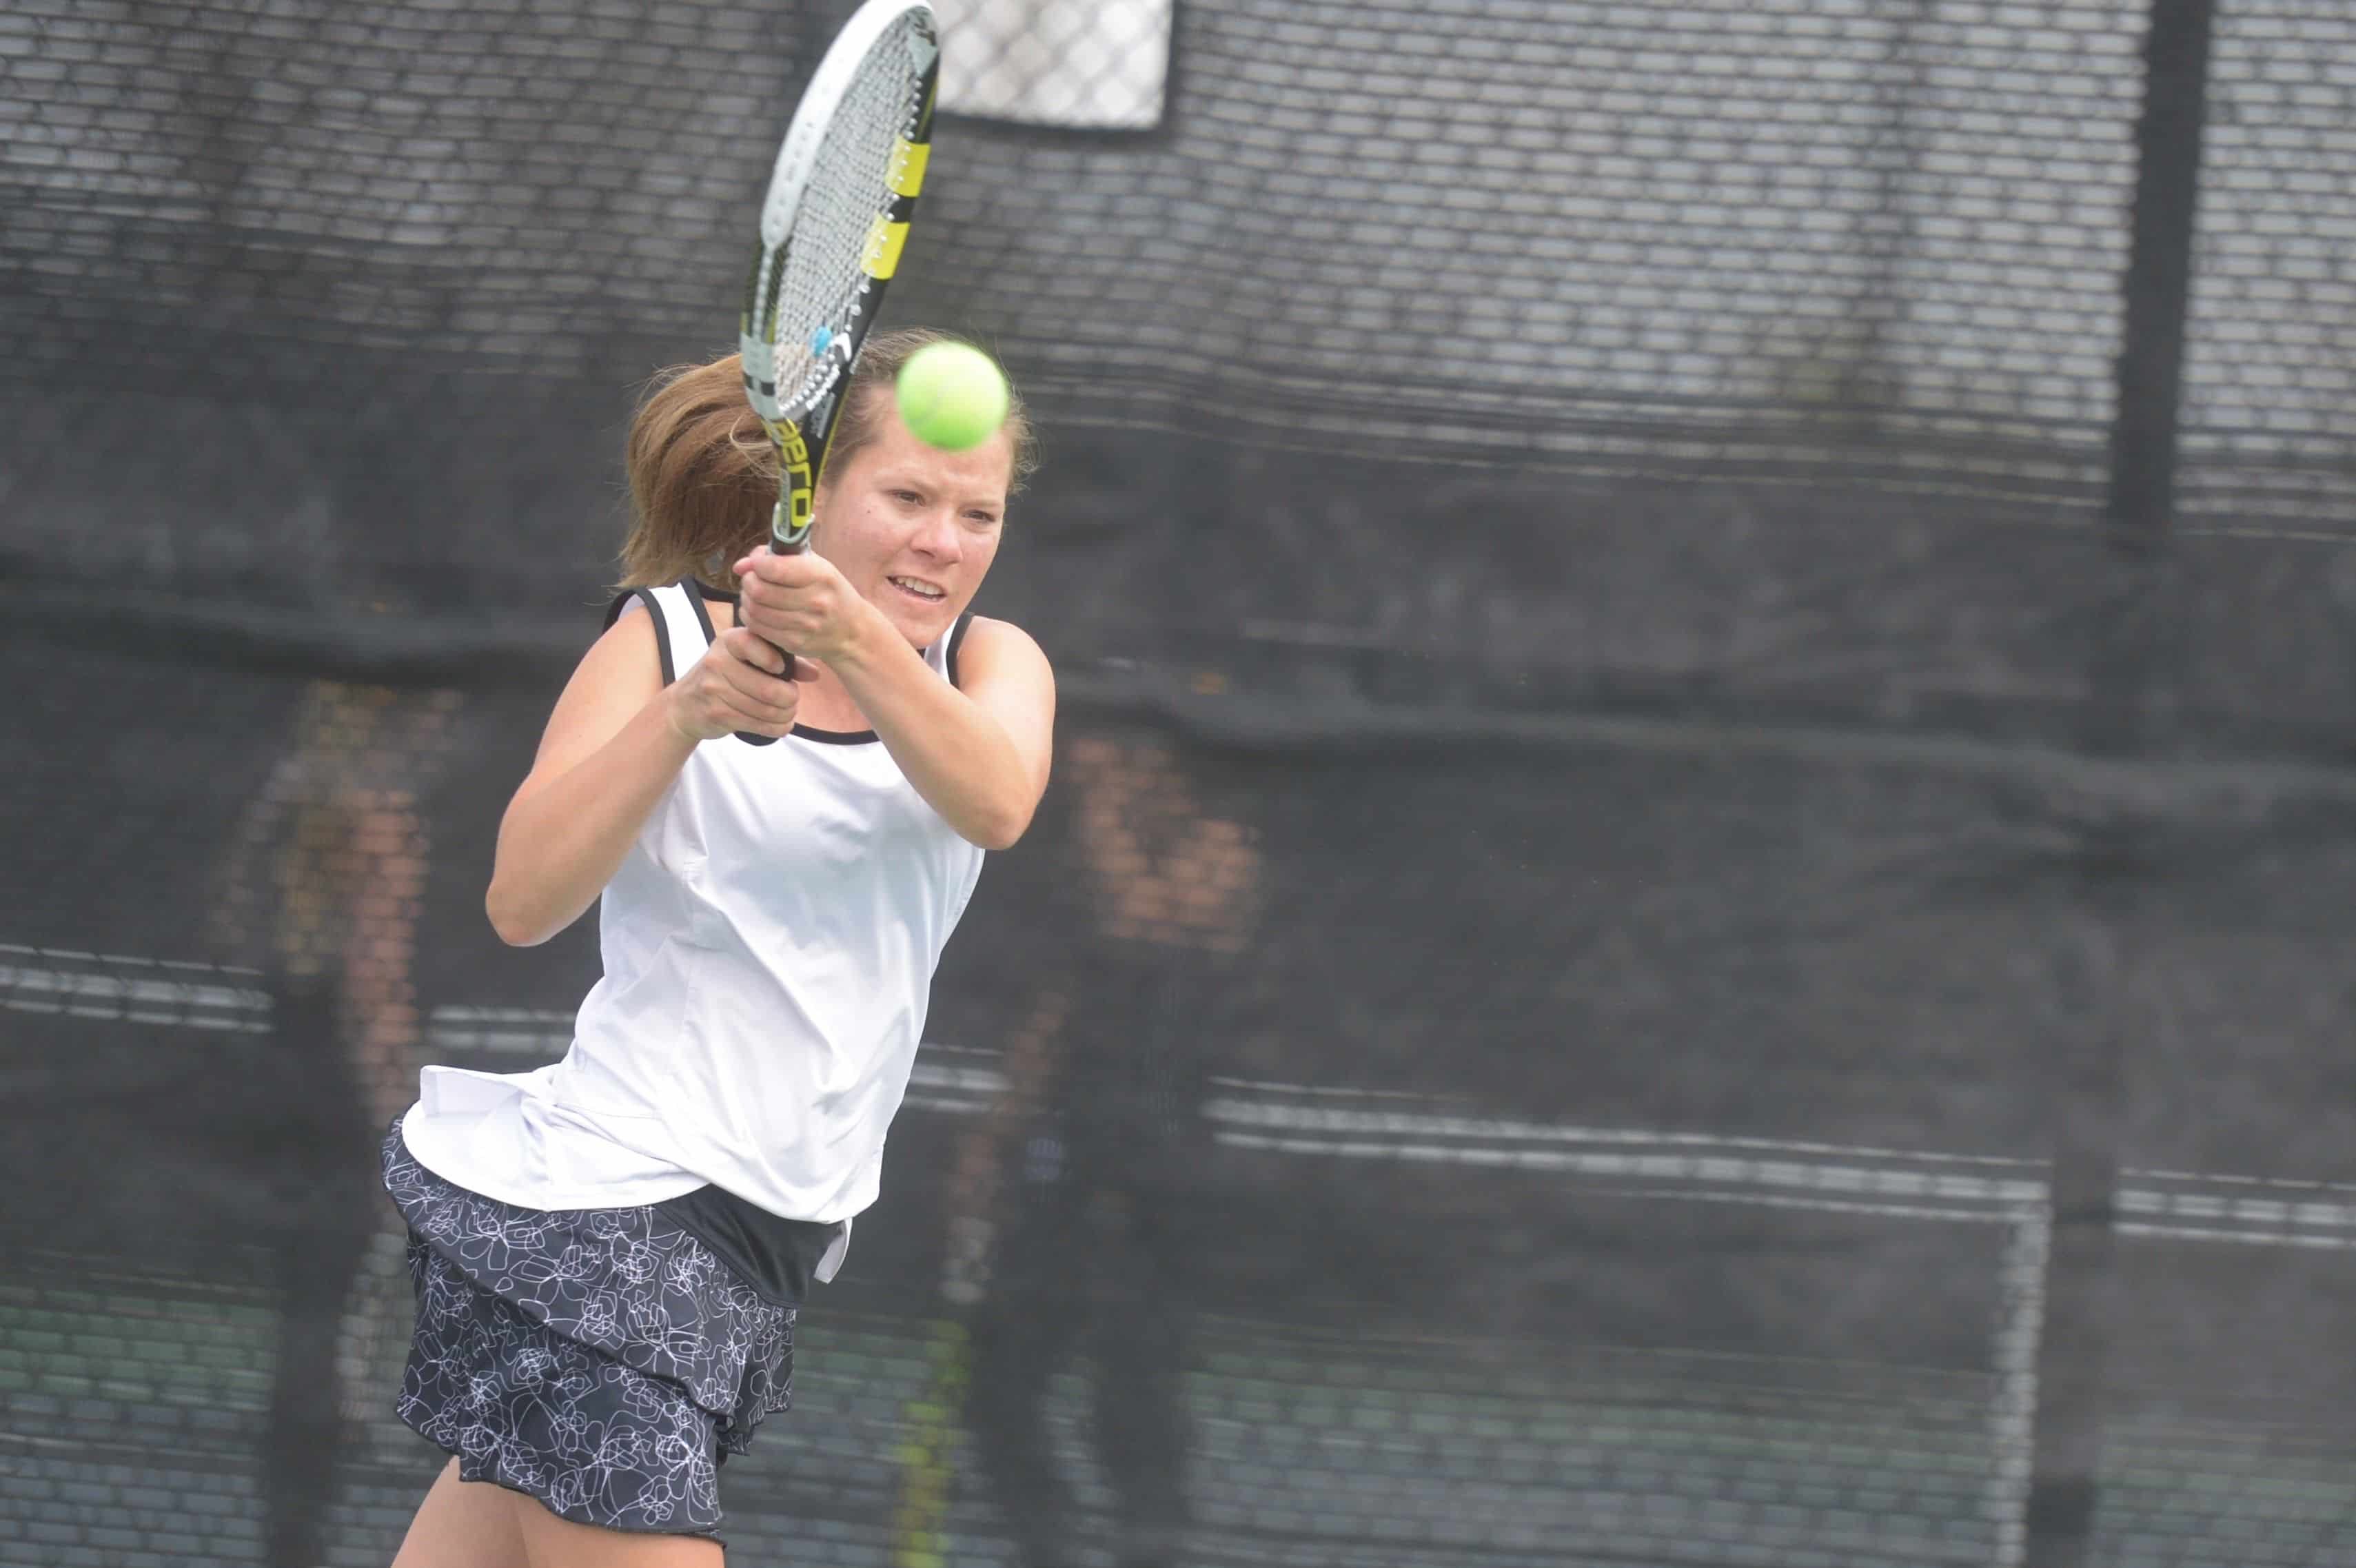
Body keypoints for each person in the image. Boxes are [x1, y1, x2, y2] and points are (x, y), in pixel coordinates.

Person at [379, 327, 1054, 1566]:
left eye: (978, 512)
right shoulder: (667, 640)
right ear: (814, 489)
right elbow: (523, 899)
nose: (942, 541)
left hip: (766, 1238)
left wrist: (850, 641)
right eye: (906, 496)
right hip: (609, 1217)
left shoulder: (993, 665)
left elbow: (995, 799)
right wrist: (686, 717)